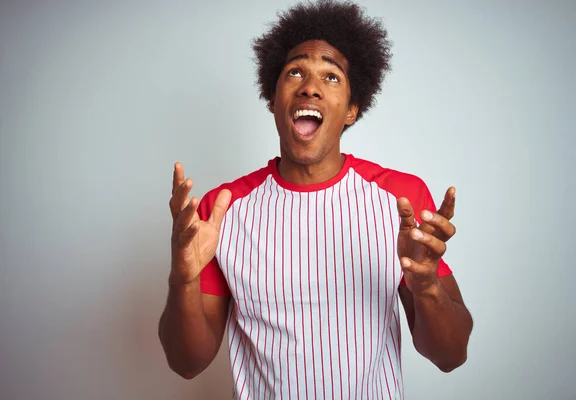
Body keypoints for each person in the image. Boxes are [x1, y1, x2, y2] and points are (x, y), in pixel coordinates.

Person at [159, 0, 473, 398]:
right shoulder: (223, 211)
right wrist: (182, 278)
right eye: (295, 72)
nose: (310, 86)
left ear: (352, 110)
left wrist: (426, 286)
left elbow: (451, 355)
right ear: (273, 100)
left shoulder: (401, 200)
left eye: (332, 77)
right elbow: (187, 363)